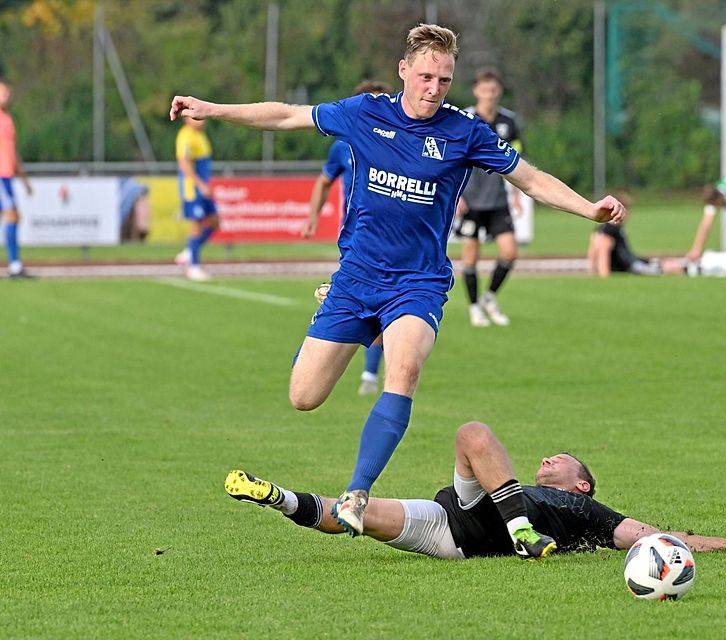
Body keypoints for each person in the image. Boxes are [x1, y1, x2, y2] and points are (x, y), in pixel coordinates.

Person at [170, 24, 626, 540]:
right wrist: (214, 109)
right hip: (357, 278)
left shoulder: (465, 131)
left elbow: (530, 178)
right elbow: (286, 114)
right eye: (426, 76)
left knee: (403, 367)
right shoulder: (366, 113)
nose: (434, 89)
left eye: (444, 80)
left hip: (418, 282)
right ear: (404, 70)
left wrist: (590, 208)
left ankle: (356, 492)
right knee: (304, 396)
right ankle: (331, 314)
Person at [224, 421, 726, 559]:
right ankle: (275, 496)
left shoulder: (586, 510)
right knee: (351, 516)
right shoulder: (518, 484)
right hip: (452, 521)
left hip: (464, 539)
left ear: (582, 482)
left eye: (562, 458)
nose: (548, 457)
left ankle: (521, 530)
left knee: (473, 433)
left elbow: (652, 537)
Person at [303, 79, 393, 396]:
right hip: (357, 237)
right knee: (376, 307)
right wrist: (313, 216)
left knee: (382, 309)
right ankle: (364, 367)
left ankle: (370, 373)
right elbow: (324, 181)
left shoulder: (400, 143)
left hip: (391, 238)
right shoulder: (343, 145)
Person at [455, 68, 523, 327]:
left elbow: (518, 161)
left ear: (499, 91)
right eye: (484, 89)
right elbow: (454, 161)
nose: (489, 94)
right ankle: (474, 307)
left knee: (510, 252)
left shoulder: (509, 121)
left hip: (497, 200)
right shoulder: (466, 119)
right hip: (471, 201)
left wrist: (516, 195)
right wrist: (457, 195)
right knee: (470, 258)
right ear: (476, 91)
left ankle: (489, 297)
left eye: (493, 89)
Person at [174, 115, 219, 282]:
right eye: (196, 118)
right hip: (193, 189)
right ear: (186, 119)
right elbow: (184, 163)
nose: (202, 121)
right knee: (196, 226)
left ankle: (189, 252)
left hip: (204, 188)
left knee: (215, 222)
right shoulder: (186, 135)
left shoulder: (201, 135)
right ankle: (193, 266)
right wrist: (200, 185)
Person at [0, 79, 34, 278]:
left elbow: (12, 154)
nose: (7, 96)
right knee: (12, 215)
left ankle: (15, 264)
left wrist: (24, 180)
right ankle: (15, 265)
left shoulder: (7, 120)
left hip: (7, 176)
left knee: (14, 216)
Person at [587, 208, 661, 277]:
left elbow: (592, 250)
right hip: (628, 265)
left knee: (658, 263)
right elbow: (603, 248)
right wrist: (604, 274)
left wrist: (592, 269)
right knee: (664, 267)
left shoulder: (606, 228)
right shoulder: (609, 230)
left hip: (630, 261)